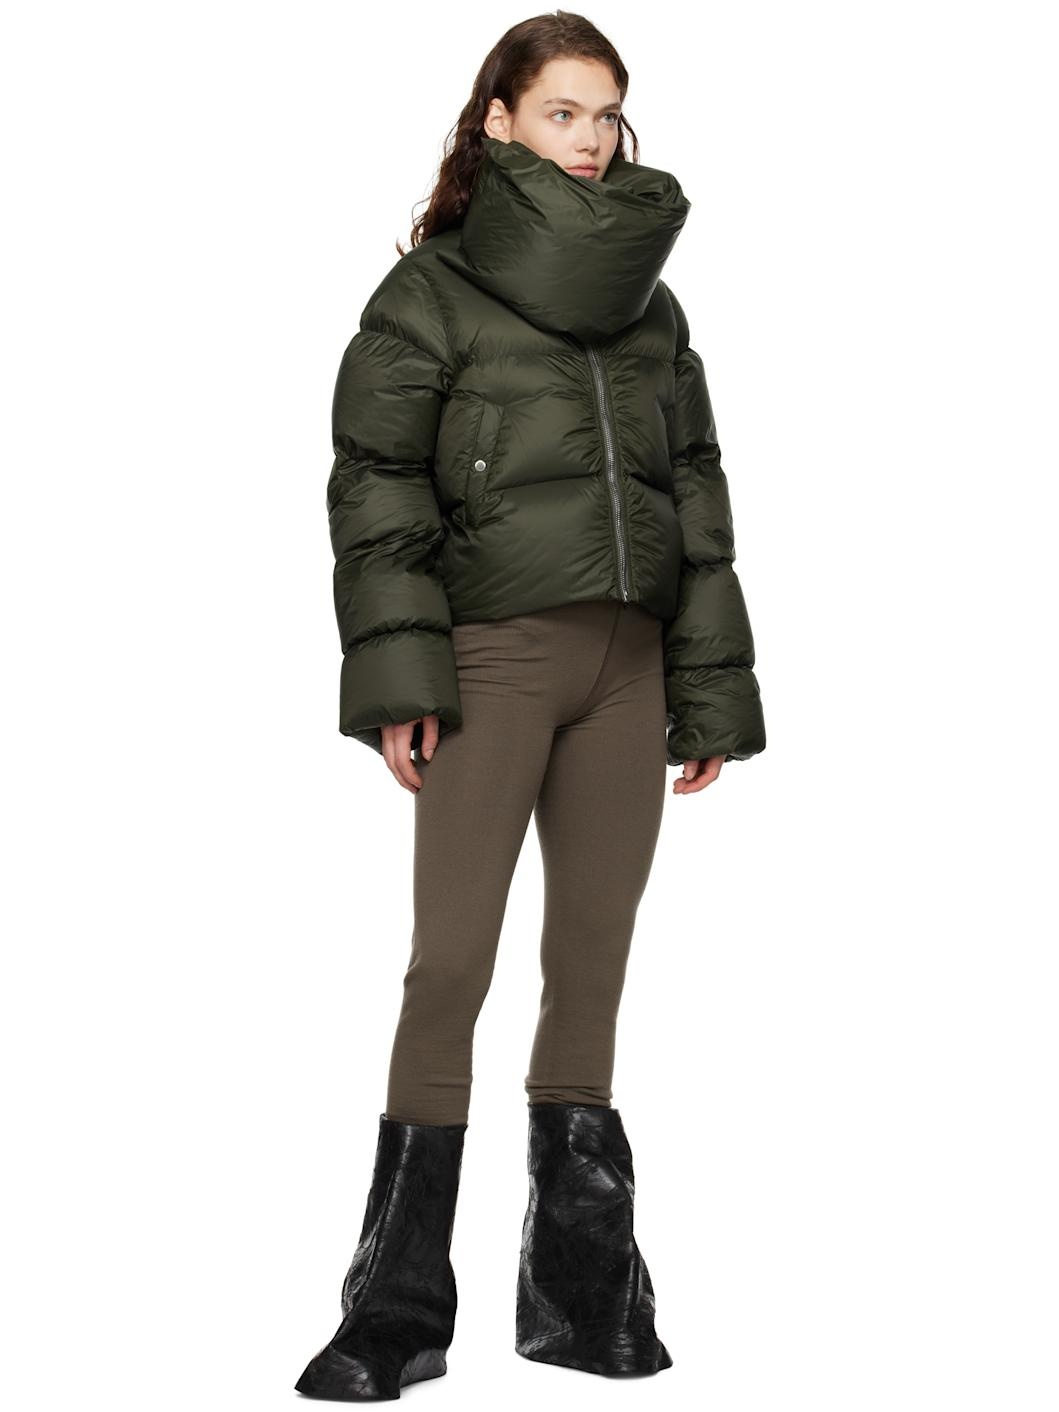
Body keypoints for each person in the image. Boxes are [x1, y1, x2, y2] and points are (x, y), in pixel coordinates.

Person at [295, 12, 766, 1402]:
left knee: (592, 969)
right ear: (498, 120)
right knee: (450, 968)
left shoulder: (652, 309)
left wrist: (705, 690)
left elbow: (697, 495)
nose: (592, 138)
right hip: (494, 664)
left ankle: (581, 1298)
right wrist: (404, 683)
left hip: (627, 670)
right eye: (564, 111)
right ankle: (394, 1313)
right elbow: (375, 489)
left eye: (607, 114)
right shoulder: (428, 296)